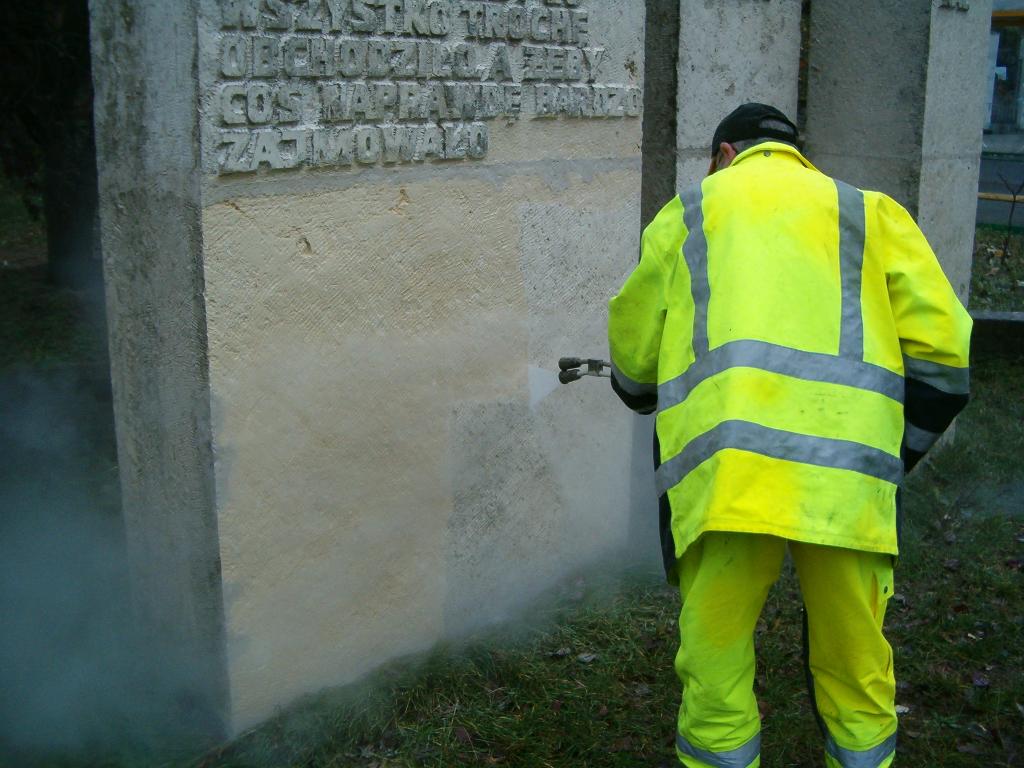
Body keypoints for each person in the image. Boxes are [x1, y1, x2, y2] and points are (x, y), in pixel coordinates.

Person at [607, 103, 972, 768]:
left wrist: (641, 386)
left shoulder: (689, 212)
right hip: (846, 483)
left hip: (728, 483)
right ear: (797, 153)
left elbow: (633, 371)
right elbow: (948, 368)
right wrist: (896, 456)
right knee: (858, 674)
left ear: (724, 155)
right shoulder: (870, 214)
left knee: (715, 675)